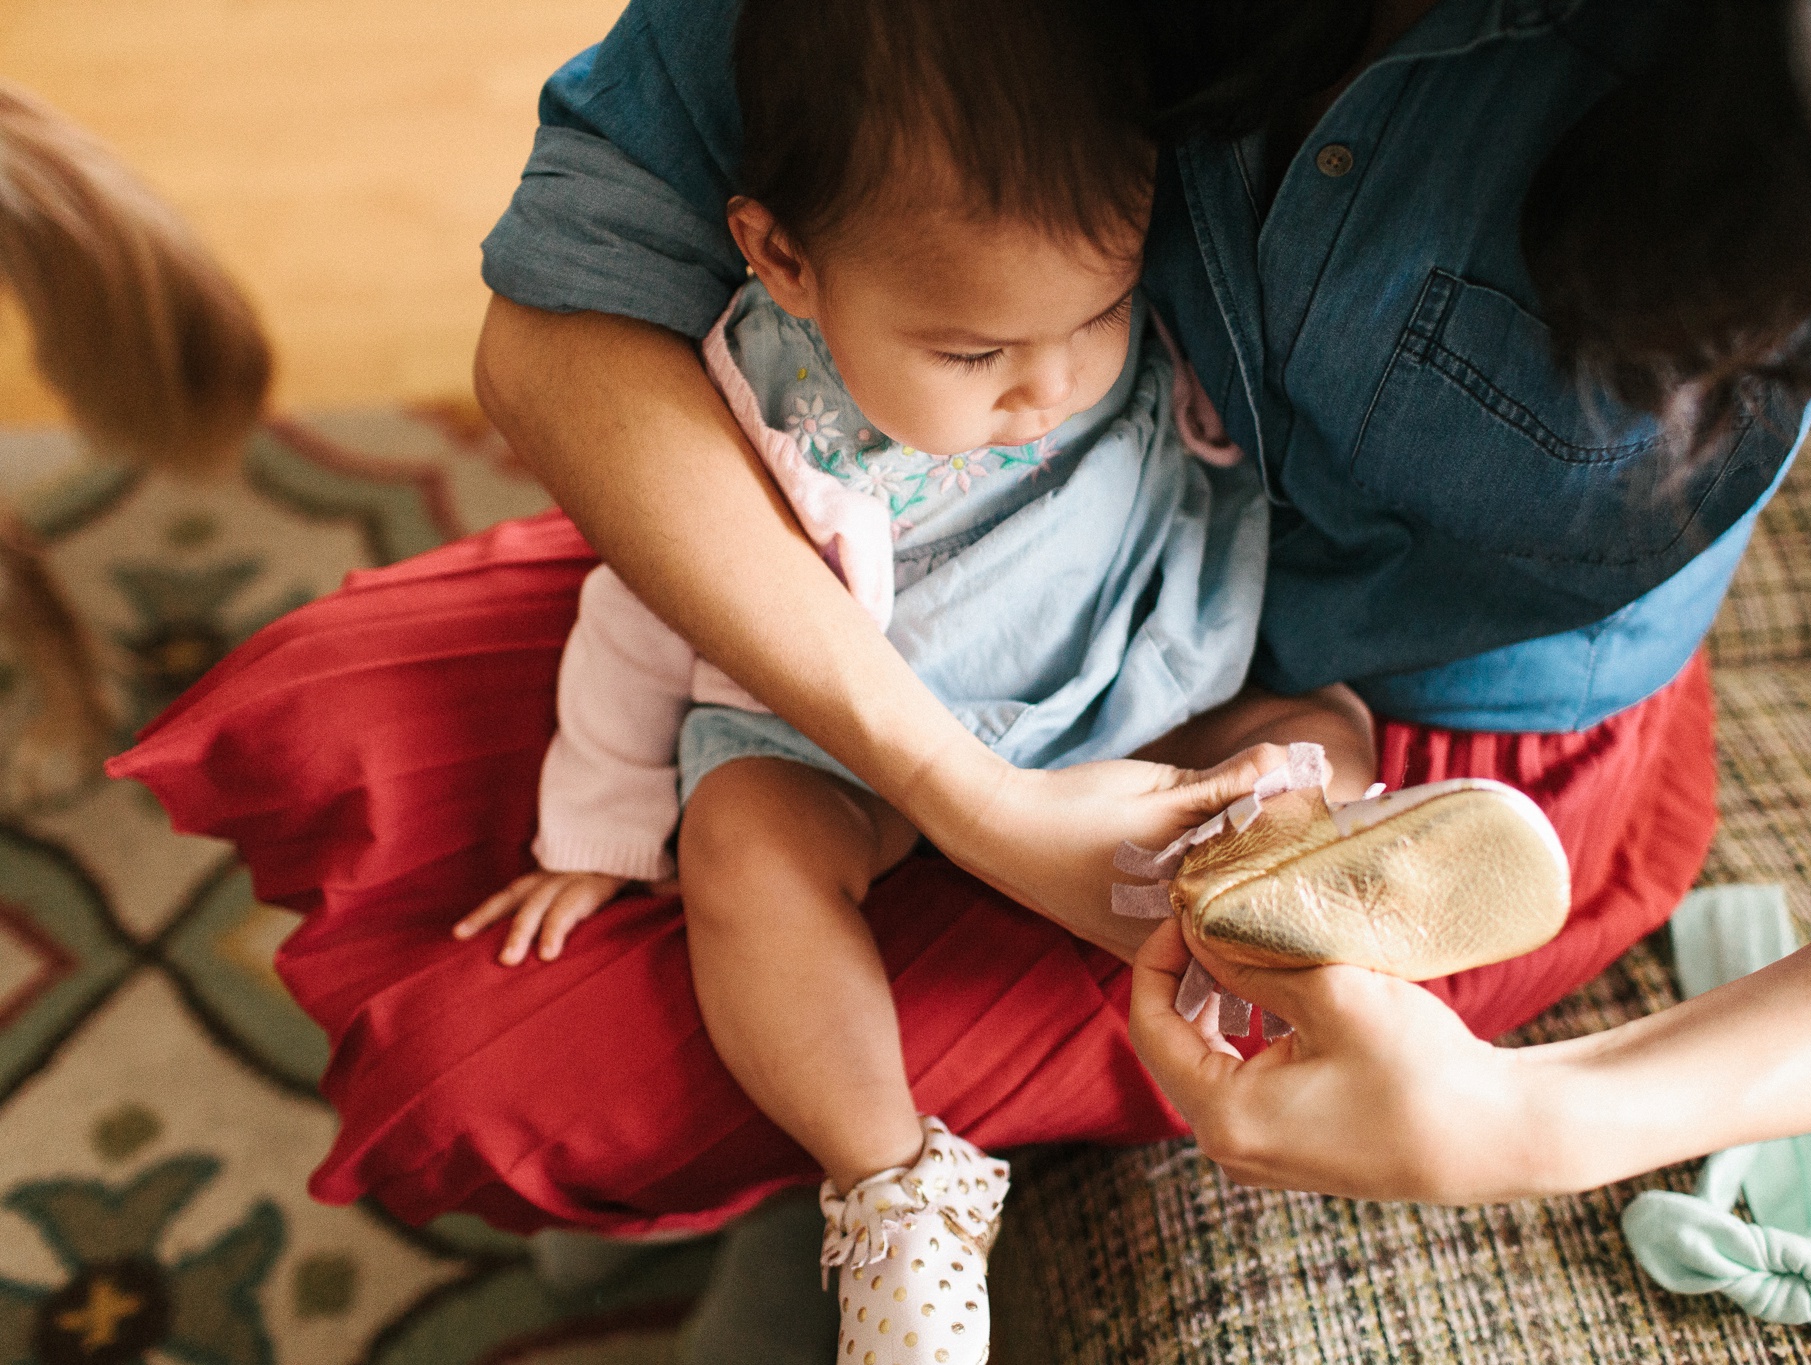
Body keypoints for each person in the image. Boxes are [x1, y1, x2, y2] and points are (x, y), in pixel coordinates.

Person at [470, 0, 1811, 1200]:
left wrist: (1539, 1119)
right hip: (979, 553)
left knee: (494, 1060)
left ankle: (1282, 850)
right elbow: (567, 312)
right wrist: (961, 791)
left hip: (1414, 714)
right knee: (394, 787)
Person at [444, 0, 1408, 1354]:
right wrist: (597, 820)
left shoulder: (1079, 323)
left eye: (1101, 312)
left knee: (1312, 724)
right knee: (745, 849)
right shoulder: (759, 407)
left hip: (1137, 675)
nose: (1053, 384)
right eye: (972, 354)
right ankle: (896, 1193)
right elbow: (635, 608)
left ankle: (1306, 860)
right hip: (856, 743)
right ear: (783, 258)